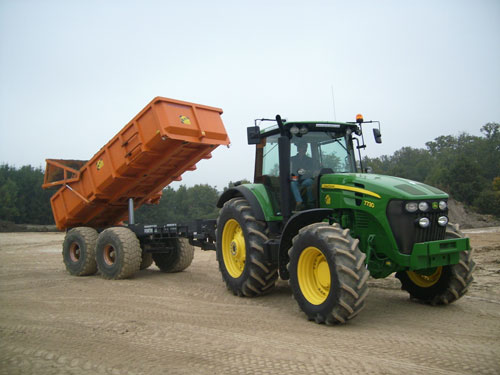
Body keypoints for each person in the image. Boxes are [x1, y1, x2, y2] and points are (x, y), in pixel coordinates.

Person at [290, 142, 314, 210]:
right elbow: (291, 171)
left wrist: (304, 172)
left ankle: (310, 202)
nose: (303, 150)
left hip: (305, 179)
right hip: (296, 178)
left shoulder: (309, 160)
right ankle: (299, 202)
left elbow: (312, 171)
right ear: (298, 149)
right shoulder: (292, 159)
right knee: (292, 183)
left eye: (304, 149)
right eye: (301, 148)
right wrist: (294, 176)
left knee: (310, 182)